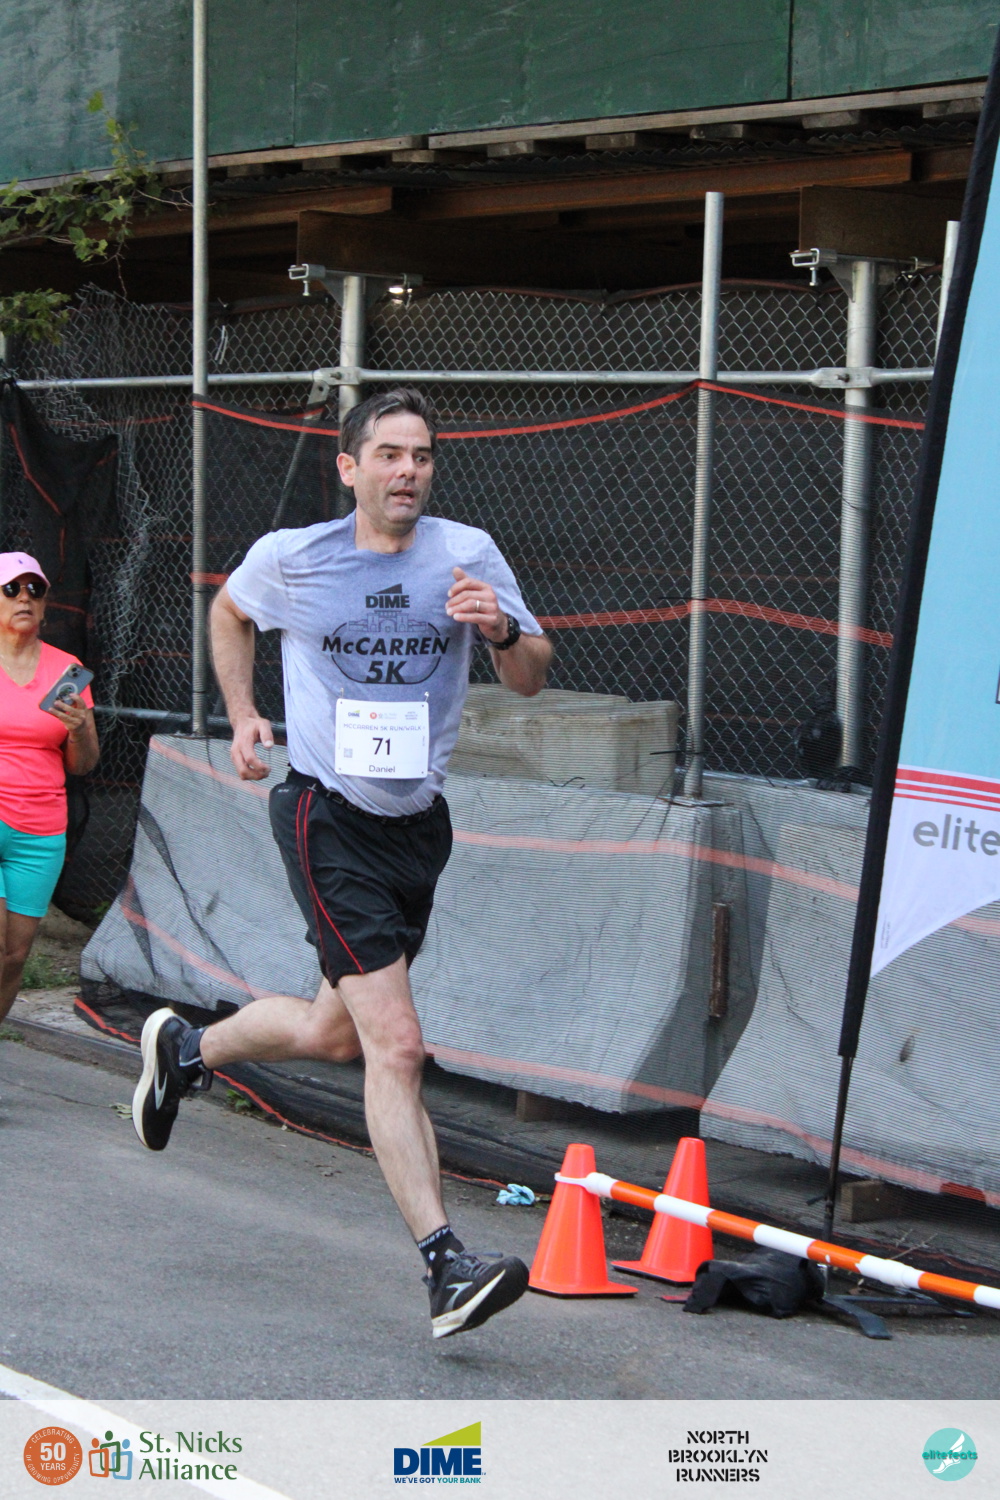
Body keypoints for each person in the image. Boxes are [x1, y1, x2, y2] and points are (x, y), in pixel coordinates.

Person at [131, 388, 553, 1338]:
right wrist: (244, 714)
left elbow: (531, 674)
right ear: (349, 468)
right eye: (391, 455)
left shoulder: (466, 553)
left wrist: (497, 630)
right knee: (394, 1044)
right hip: (326, 816)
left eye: (424, 455)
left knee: (332, 1033)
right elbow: (230, 612)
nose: (409, 471)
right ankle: (445, 1265)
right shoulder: (298, 557)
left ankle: (188, 1053)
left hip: (418, 825)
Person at [0, 551, 99, 1025]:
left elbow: (83, 764)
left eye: (34, 590)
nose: (24, 598)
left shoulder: (66, 671)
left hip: (40, 829)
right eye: (11, 589)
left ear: (44, 605)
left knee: (13, 958)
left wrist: (79, 729)